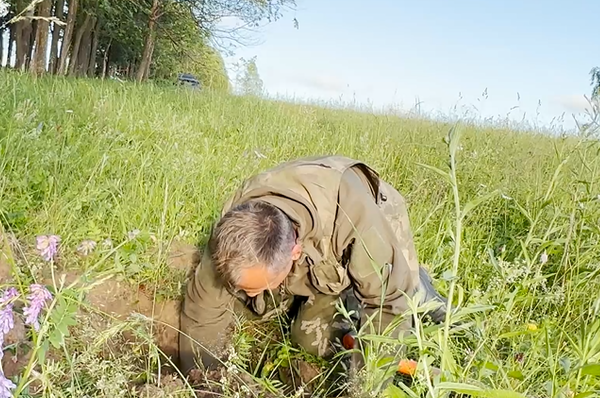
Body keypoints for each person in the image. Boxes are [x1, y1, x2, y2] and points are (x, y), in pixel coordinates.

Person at [178, 155, 448, 376]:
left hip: (377, 223)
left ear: (294, 252)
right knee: (310, 342)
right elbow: (201, 312)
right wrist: (205, 382)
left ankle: (421, 288)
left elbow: (387, 305)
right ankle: (341, 295)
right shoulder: (233, 233)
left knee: (403, 295)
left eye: (260, 286)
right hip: (318, 253)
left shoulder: (358, 222)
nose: (249, 295)